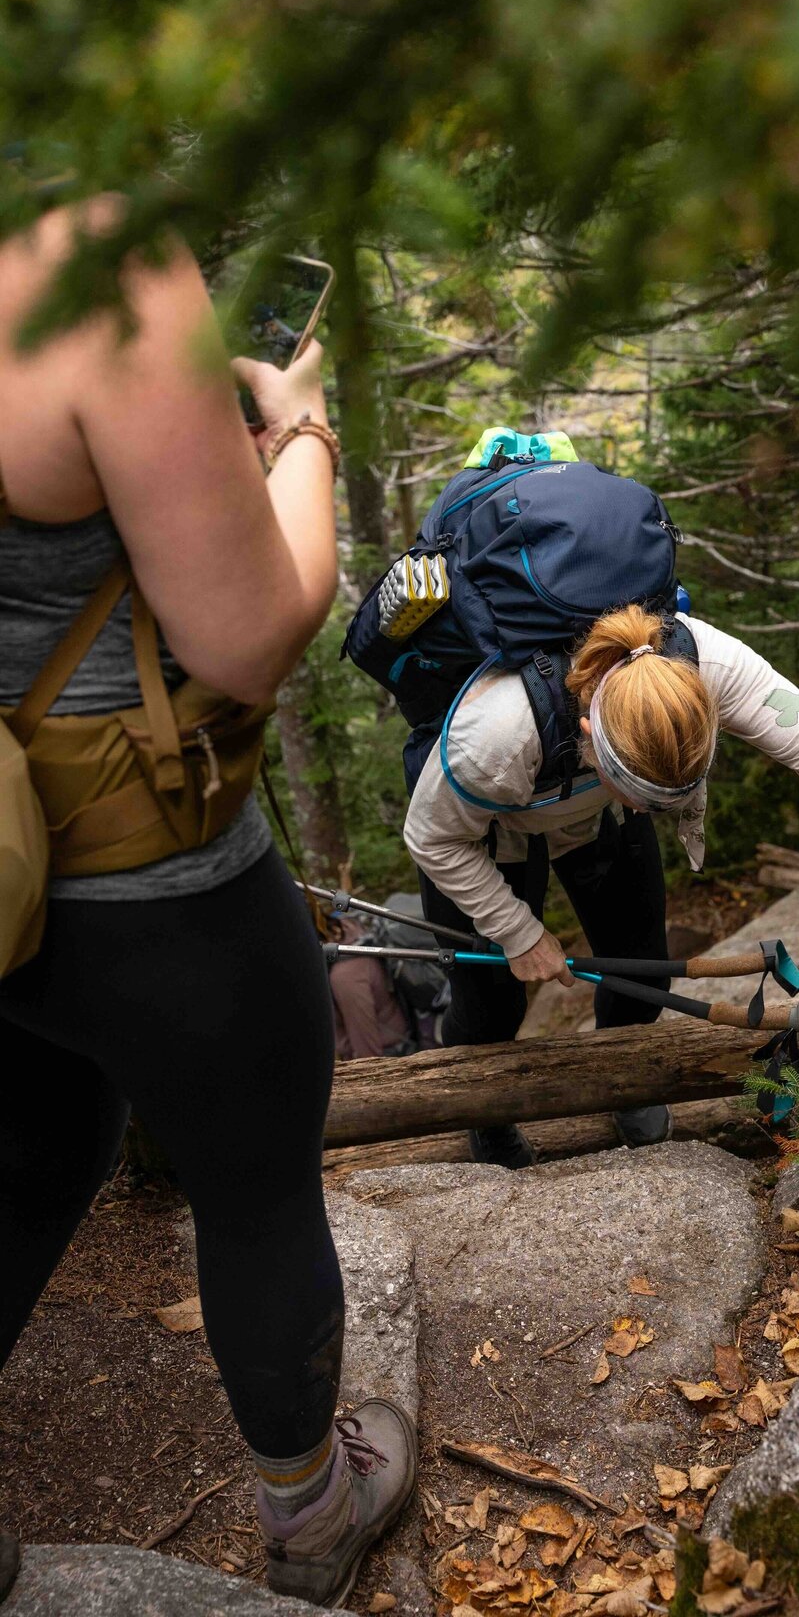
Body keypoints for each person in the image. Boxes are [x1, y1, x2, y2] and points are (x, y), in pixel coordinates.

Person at [0, 200, 414, 1607]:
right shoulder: (82, 257)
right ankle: (312, 1512)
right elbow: (246, 633)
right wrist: (298, 433)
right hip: (137, 873)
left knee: (38, 1134)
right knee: (254, 1184)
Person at [404, 604, 799, 1168]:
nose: (657, 813)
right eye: (646, 798)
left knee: (637, 955)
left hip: (600, 815)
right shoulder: (492, 739)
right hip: (487, 834)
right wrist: (518, 932)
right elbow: (431, 839)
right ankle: (486, 1112)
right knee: (488, 1002)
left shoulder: (706, 663)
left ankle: (627, 1085)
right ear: (589, 733)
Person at [326, 914, 417, 1060]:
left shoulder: (346, 974)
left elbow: (367, 1052)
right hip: (399, 1042)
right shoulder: (355, 938)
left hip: (390, 1056)